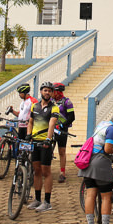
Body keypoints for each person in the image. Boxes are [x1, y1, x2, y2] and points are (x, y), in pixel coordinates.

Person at [27, 83, 60, 211]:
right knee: (36, 170)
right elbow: (30, 122)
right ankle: (37, 199)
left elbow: (52, 124)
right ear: (40, 91)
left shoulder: (54, 108)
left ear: (52, 94)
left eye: (49, 91)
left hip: (45, 143)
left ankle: (47, 201)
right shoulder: (34, 106)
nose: (47, 93)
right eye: (45, 90)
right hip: (35, 141)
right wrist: (29, 135)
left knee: (46, 170)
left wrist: (48, 138)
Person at [51, 82, 76, 183]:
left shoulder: (67, 102)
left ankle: (62, 172)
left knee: (61, 151)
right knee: (48, 150)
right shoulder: (51, 101)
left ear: (57, 92)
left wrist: (63, 125)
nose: (51, 93)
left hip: (62, 130)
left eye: (53, 91)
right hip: (50, 129)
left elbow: (72, 117)